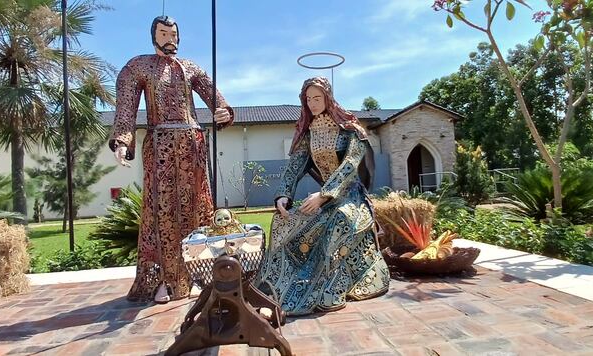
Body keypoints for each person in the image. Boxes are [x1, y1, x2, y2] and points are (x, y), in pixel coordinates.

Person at [109, 16, 234, 303]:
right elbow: (126, 108)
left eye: (174, 33)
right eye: (164, 33)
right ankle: (162, 280)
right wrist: (122, 139)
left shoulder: (191, 68)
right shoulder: (138, 67)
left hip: (192, 144)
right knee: (161, 213)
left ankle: (202, 275)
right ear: (153, 35)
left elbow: (215, 97)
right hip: (160, 144)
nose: (170, 39)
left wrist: (223, 111)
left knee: (199, 208)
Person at [255, 77, 389, 316]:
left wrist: (325, 194)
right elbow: (294, 166)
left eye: (317, 98)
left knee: (339, 219)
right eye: (308, 99)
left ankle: (333, 287)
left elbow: (349, 166)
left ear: (328, 97)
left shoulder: (350, 129)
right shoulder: (308, 133)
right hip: (322, 197)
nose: (313, 103)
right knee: (283, 222)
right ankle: (277, 286)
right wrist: (283, 195)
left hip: (351, 196)